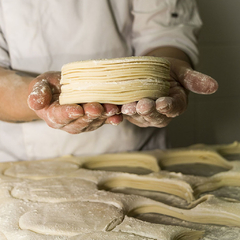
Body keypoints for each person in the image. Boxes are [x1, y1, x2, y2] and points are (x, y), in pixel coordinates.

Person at [0, 0, 218, 162]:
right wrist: (39, 99)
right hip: (26, 165)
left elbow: (166, 26)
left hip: (138, 157)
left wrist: (164, 71)